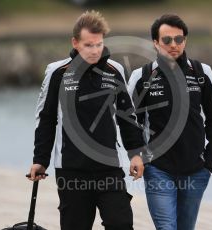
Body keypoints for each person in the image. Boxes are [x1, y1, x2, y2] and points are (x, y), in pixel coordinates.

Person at [28, 10, 144, 230]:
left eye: (99, 44)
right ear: (75, 42)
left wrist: (136, 153)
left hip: (109, 167)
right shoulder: (57, 73)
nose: (95, 50)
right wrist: (39, 159)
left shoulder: (115, 70)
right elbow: (45, 118)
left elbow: (127, 116)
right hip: (71, 169)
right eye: (89, 45)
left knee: (121, 224)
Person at [128, 14, 212, 230]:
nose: (174, 45)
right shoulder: (142, 76)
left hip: (196, 169)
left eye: (179, 39)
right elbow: (127, 119)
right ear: (155, 42)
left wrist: (210, 161)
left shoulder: (201, 73)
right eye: (167, 40)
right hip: (157, 169)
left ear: (185, 41)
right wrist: (137, 155)